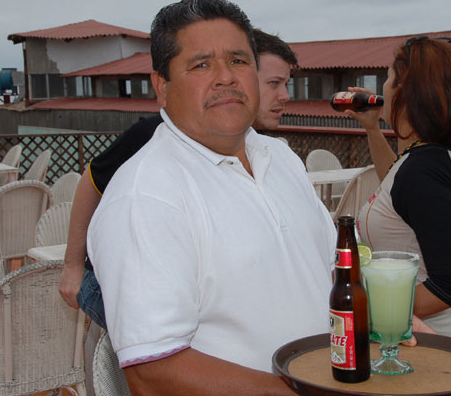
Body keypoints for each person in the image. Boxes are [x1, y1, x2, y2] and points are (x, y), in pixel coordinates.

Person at [87, 0, 336, 394]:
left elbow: (330, 269)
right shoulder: (146, 196)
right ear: (161, 87)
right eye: (201, 64)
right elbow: (155, 373)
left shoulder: (281, 158)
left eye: (238, 60)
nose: (226, 77)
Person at [58, 29, 298, 328]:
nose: (285, 96)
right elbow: (91, 180)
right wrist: (72, 267)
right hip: (116, 283)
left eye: (286, 84)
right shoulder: (153, 136)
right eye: (274, 84)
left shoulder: (260, 150)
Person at [346, 35, 451, 342]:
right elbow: (397, 187)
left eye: (389, 78)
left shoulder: (424, 170)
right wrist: (372, 128)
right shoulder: (425, 158)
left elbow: (448, 287)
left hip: (428, 341)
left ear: (408, 93)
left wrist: (369, 307)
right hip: (422, 334)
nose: (384, 88)